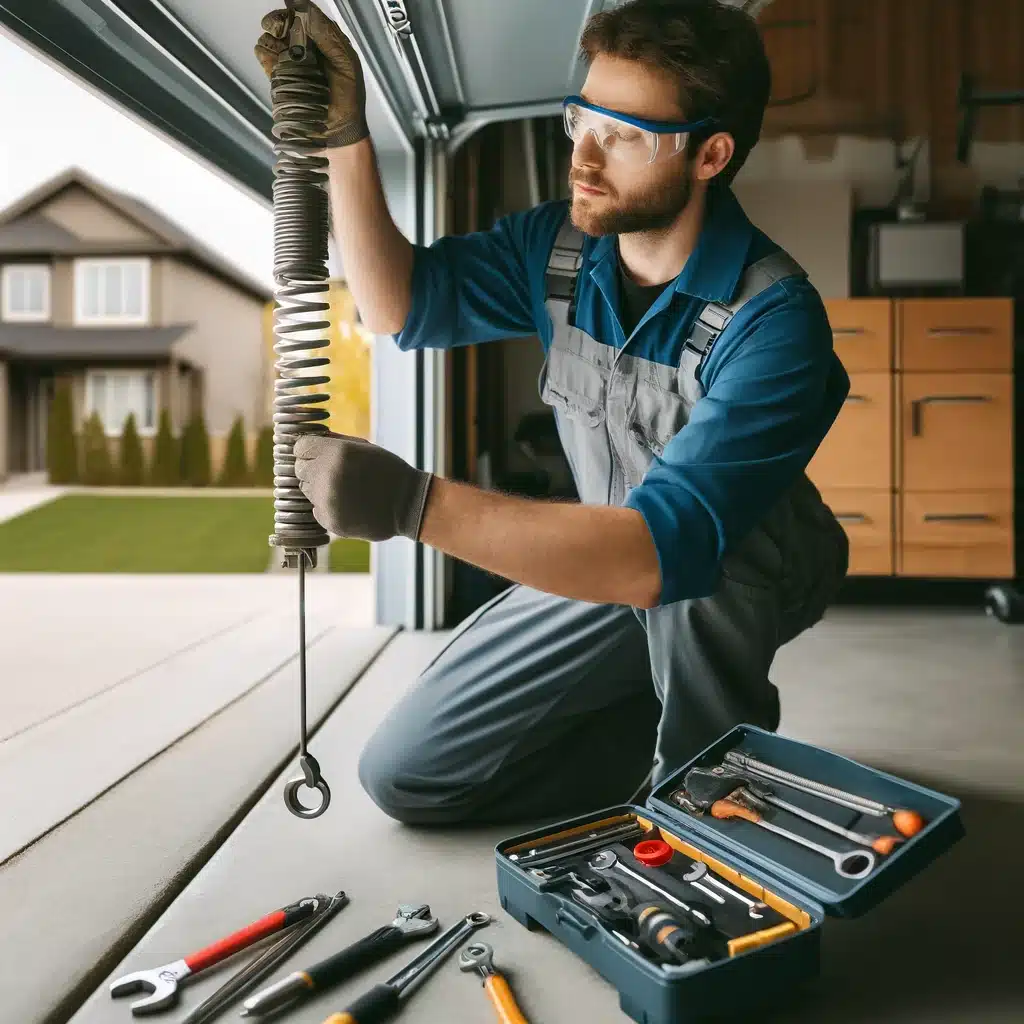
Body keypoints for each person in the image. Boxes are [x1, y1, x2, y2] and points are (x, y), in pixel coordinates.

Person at [255, 0, 850, 827]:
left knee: (696, 569)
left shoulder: (773, 319)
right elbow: (400, 307)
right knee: (405, 775)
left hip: (738, 561)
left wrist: (411, 505)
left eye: (624, 134)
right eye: (582, 119)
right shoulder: (561, 250)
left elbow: (663, 550)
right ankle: (648, 745)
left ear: (710, 154)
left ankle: (708, 784)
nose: (583, 156)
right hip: (612, 547)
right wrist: (347, 137)